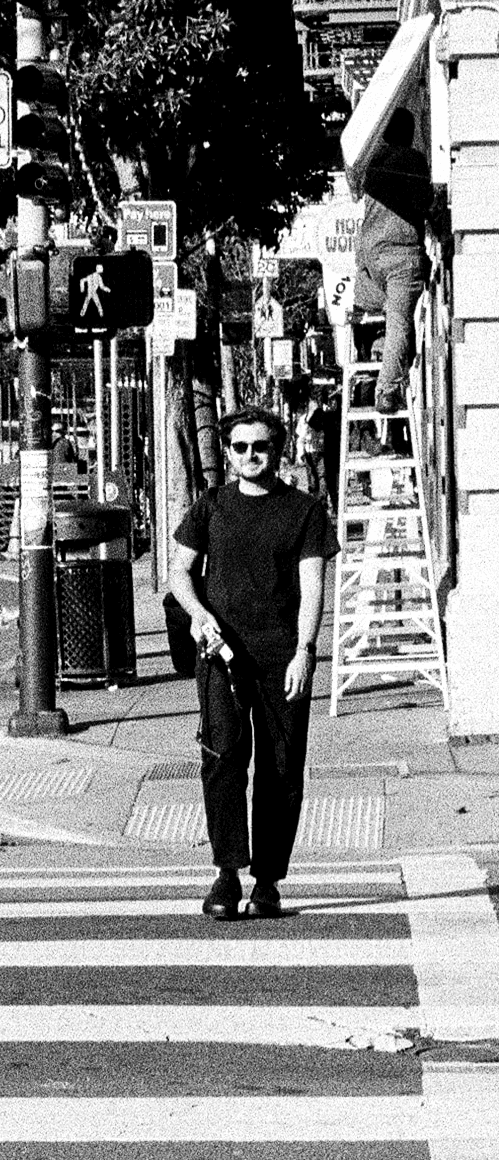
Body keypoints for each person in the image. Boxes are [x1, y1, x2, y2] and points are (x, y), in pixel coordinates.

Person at [170, 406, 339, 920]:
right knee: (222, 760)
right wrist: (199, 614)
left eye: (260, 446)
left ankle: (267, 880)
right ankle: (226, 873)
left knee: (281, 768)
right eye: (240, 447)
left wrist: (305, 650)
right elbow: (181, 572)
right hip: (221, 659)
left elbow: (313, 586)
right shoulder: (211, 506)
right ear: (228, 451)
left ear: (278, 449)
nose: (250, 456)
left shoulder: (304, 511)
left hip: (282, 658)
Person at [353, 106, 433, 414]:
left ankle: (390, 351)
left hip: (370, 258)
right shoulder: (410, 159)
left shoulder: (374, 161)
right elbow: (422, 201)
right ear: (409, 134)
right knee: (401, 321)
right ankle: (386, 390)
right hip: (400, 254)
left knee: (395, 314)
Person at [295, 383, 328, 503]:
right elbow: (300, 438)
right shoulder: (304, 420)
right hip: (310, 451)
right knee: (314, 477)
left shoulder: (322, 418)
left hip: (319, 450)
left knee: (321, 475)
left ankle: (321, 500)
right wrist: (301, 453)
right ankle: (316, 500)